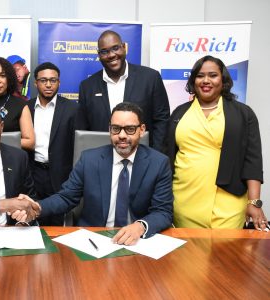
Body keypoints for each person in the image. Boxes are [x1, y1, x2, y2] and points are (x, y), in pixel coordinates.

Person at [24, 102, 173, 245]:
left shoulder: (158, 163)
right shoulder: (89, 159)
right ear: (109, 129)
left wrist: (140, 226)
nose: (121, 135)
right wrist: (38, 207)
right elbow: (66, 197)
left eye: (129, 129)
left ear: (141, 130)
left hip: (137, 240)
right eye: (116, 128)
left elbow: (163, 211)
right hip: (94, 239)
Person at [165, 55, 268, 230]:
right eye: (200, 76)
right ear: (193, 80)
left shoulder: (243, 113)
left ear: (223, 79)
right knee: (186, 256)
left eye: (213, 75)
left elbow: (253, 161)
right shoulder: (179, 113)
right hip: (184, 200)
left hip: (229, 202)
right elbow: (167, 157)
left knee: (226, 255)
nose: (206, 80)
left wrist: (254, 202)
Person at [77, 30, 170, 152]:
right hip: (102, 159)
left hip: (142, 157)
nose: (111, 55)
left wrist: (155, 156)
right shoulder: (87, 86)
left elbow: (162, 120)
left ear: (124, 48)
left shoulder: (150, 78)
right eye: (104, 51)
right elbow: (83, 129)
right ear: (99, 55)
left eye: (115, 48)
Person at [27, 62, 78, 226]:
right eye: (43, 80)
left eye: (53, 80)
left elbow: (77, 145)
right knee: (31, 216)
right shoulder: (26, 107)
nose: (48, 84)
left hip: (60, 174)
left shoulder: (72, 108)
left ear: (59, 82)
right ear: (35, 83)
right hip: (32, 172)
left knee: (57, 220)